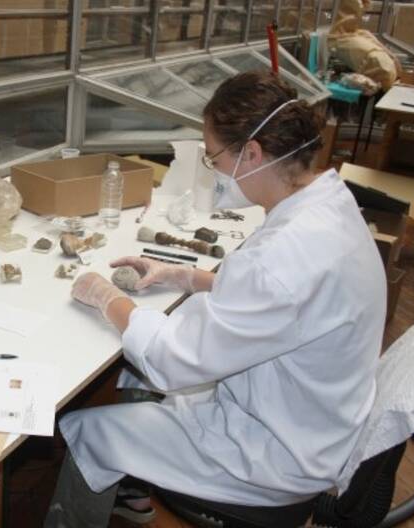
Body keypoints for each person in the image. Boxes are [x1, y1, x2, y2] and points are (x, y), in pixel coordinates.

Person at [44, 71, 387, 527]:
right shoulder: (328, 205)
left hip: (273, 455)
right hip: (313, 418)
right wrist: (187, 276)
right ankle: (134, 494)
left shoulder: (284, 256)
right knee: (132, 380)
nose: (214, 172)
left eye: (213, 158)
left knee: (93, 430)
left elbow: (173, 357)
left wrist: (106, 298)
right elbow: (290, 303)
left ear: (252, 153)